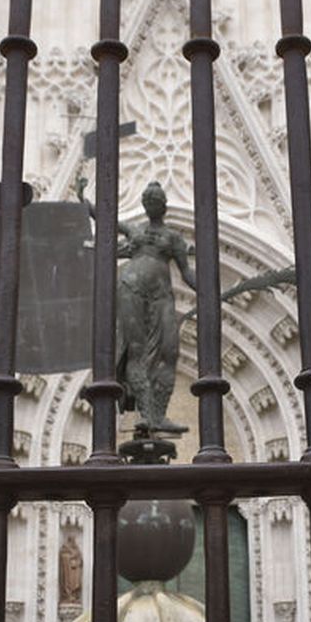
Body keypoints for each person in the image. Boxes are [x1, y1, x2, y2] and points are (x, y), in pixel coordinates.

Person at [116, 181, 193, 434]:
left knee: (169, 352)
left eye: (156, 201)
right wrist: (84, 200)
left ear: (164, 206)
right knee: (136, 351)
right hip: (132, 290)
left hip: (161, 297)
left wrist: (210, 292)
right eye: (148, 201)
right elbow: (106, 219)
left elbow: (187, 273)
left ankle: (158, 414)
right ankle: (146, 413)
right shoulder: (135, 231)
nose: (151, 205)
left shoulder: (173, 238)